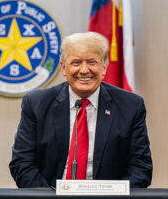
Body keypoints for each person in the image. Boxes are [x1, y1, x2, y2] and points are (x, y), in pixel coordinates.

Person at [9, 32, 152, 188]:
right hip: (51, 196)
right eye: (76, 63)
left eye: (92, 62)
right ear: (63, 68)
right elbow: (22, 163)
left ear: (104, 67)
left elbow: (140, 168)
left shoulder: (131, 106)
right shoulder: (36, 103)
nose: (84, 70)